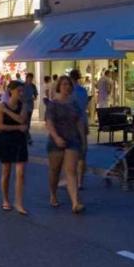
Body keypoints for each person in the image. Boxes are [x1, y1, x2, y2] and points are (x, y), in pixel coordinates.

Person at [44, 74, 85, 214]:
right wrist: (56, 137)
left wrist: (83, 140)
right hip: (56, 140)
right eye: (64, 85)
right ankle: (53, 194)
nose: (66, 87)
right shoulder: (53, 104)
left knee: (71, 171)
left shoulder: (74, 103)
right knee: (55, 171)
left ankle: (75, 202)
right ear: (59, 87)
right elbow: (49, 122)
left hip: (72, 139)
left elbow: (79, 122)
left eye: (68, 84)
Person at [0, 80, 29, 214]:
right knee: (6, 172)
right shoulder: (1, 105)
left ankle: (19, 202)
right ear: (10, 91)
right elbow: (0, 126)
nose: (21, 93)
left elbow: (21, 119)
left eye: (22, 90)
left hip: (19, 140)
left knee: (20, 173)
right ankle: (5, 199)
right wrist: (18, 127)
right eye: (18, 90)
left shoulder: (22, 105)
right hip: (6, 140)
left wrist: (6, 111)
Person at [69, 69, 90, 190]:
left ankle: (72, 178)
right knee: (83, 153)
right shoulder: (83, 91)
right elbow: (85, 105)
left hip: (72, 124)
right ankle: (80, 182)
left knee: (71, 152)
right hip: (83, 121)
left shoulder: (70, 92)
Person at [22, 73, 38, 144]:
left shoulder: (33, 86)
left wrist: (34, 97)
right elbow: (19, 95)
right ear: (26, 78)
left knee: (27, 122)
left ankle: (27, 137)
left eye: (31, 79)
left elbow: (35, 94)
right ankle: (27, 137)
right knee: (25, 122)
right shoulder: (22, 85)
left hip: (30, 106)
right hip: (23, 106)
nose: (30, 80)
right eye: (29, 78)